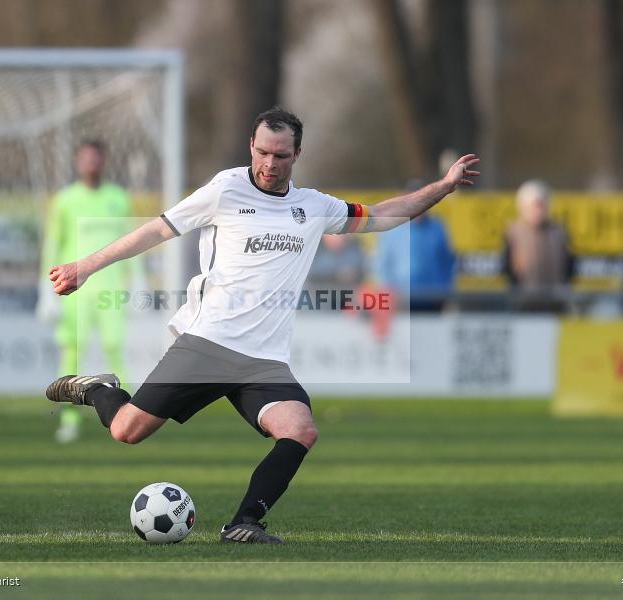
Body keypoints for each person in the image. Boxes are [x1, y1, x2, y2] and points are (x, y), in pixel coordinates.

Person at [44, 107, 480, 543]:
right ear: (251, 146)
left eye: (281, 156)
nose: (270, 163)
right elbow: (157, 231)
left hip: (265, 359)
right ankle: (99, 389)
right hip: (208, 342)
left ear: (297, 154)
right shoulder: (224, 190)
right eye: (263, 152)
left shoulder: (314, 206)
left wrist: (442, 187)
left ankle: (244, 522)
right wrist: (86, 266)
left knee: (300, 430)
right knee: (127, 430)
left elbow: (383, 215)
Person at [37, 140, 132, 443]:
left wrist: (137, 282)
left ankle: (128, 416)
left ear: (104, 161)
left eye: (97, 158)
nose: (92, 164)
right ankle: (69, 420)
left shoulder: (118, 198)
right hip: (74, 291)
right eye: (86, 158)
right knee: (73, 352)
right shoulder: (65, 200)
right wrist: (46, 290)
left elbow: (131, 244)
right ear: (78, 162)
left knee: (115, 348)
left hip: (111, 289)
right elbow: (53, 244)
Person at [375, 179, 456, 312]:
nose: (418, 206)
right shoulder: (391, 228)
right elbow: (383, 264)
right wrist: (389, 293)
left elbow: (447, 262)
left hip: (433, 298)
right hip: (401, 300)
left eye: (422, 200)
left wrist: (445, 291)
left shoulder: (437, 228)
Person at [501, 180, 574, 311]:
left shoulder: (559, 232)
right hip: (524, 304)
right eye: (534, 206)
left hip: (556, 303)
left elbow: (569, 265)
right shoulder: (513, 233)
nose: (538, 210)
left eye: (542, 205)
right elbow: (507, 269)